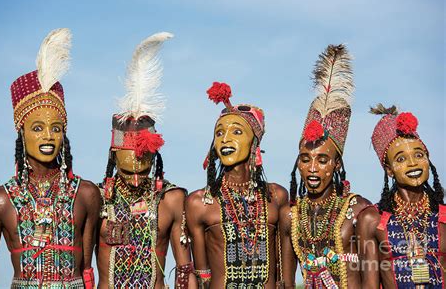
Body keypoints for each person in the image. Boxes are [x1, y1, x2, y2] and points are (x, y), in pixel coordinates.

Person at [0, 28, 100, 288]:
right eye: (38, 128)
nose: (48, 137)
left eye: (56, 129)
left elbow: (87, 270)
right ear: (22, 133)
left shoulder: (86, 194)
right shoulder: (0, 199)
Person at [96, 32, 197, 289]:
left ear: (154, 158)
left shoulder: (171, 199)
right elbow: (82, 266)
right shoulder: (95, 198)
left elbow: (185, 269)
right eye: (128, 171)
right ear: (113, 157)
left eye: (143, 168)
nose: (137, 177)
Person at [279, 44, 379, 288]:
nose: (313, 168)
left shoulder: (360, 210)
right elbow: (286, 281)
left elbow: (372, 278)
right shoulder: (290, 215)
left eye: (322, 160)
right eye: (305, 159)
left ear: (336, 165)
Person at [186, 81, 288, 288]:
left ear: (254, 142)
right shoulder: (199, 201)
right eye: (219, 133)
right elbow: (201, 275)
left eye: (237, 132)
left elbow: (282, 271)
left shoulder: (276, 196)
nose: (225, 139)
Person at [371, 104, 445, 288]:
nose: (413, 164)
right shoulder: (373, 219)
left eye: (419, 155)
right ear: (389, 170)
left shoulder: (443, 217)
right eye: (401, 159)